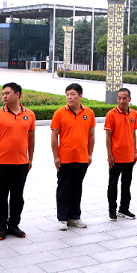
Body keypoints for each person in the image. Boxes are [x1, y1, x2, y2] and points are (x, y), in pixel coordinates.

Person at [0, 82, 36, 240]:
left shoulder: (29, 114)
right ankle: (2, 226)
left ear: (17, 94)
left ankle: (14, 224)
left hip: (21, 162)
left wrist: (30, 158)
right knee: (1, 196)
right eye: (3, 94)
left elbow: (31, 138)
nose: (4, 96)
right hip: (2, 162)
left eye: (7, 93)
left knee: (17, 196)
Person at [51, 83, 95, 230]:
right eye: (67, 94)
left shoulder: (89, 113)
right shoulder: (59, 113)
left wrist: (90, 154)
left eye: (72, 94)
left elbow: (91, 135)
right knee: (63, 188)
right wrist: (55, 156)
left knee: (77, 187)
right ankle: (62, 218)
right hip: (65, 157)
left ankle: (75, 217)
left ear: (80, 96)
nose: (69, 97)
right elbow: (54, 136)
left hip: (82, 157)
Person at [105, 88, 137, 221]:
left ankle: (124, 209)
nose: (121, 101)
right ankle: (112, 210)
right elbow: (108, 137)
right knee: (113, 184)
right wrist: (110, 155)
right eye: (119, 98)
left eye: (124, 98)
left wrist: (135, 152)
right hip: (116, 157)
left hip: (129, 156)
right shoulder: (111, 114)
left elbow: (133, 134)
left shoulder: (133, 114)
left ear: (129, 99)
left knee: (126, 184)